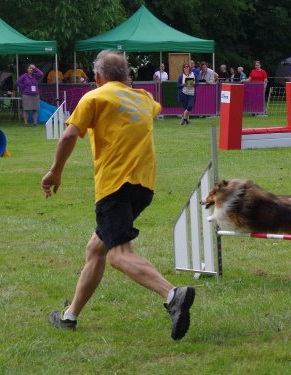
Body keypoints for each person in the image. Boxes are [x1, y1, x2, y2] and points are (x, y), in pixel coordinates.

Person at [41, 50, 195, 341]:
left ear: (98, 77)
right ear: (126, 75)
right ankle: (70, 316)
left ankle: (173, 294)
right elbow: (153, 108)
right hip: (144, 187)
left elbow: (69, 135)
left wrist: (55, 172)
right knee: (95, 249)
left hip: (114, 187)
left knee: (119, 255)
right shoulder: (145, 100)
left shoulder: (95, 97)